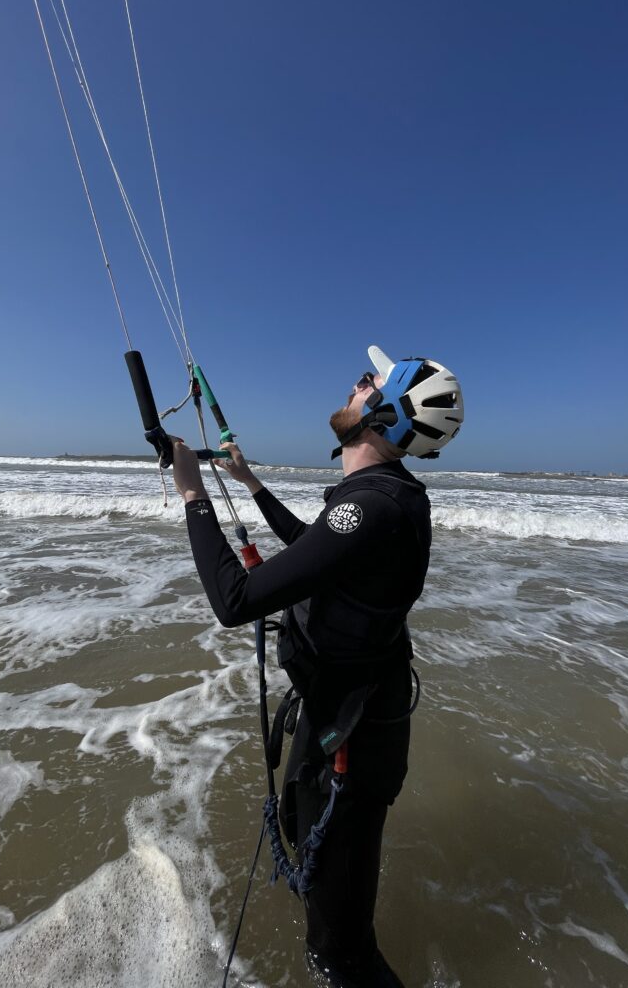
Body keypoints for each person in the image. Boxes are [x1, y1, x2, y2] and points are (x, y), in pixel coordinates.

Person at [170, 346, 464, 987]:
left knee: (340, 948)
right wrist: (249, 484)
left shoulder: (373, 507)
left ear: (384, 413)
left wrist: (193, 493)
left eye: (370, 383)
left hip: (354, 739)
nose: (357, 385)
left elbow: (236, 600)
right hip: (346, 717)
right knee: (312, 849)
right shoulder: (383, 498)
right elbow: (316, 547)